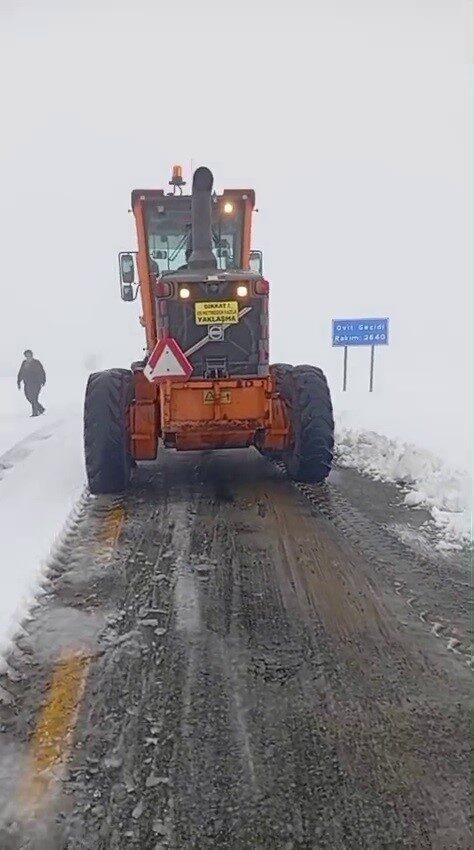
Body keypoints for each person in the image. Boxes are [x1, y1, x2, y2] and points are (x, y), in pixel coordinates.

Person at [17, 350, 46, 417]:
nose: (28, 356)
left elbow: (42, 372)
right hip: (27, 383)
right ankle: (40, 408)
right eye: (26, 355)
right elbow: (21, 372)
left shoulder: (36, 362)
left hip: (36, 383)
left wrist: (43, 380)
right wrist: (19, 381)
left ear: (31, 355)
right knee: (28, 397)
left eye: (29, 354)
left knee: (34, 398)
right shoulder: (24, 363)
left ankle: (35, 413)